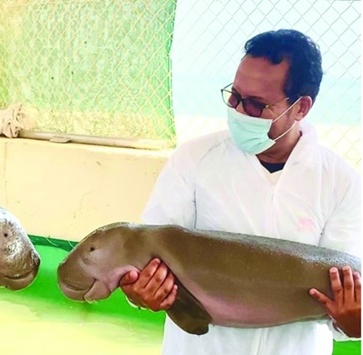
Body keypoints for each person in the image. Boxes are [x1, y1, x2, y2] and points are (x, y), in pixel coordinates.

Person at [119, 29, 361, 355]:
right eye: (234, 96)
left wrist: (353, 325)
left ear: (301, 107)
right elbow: (146, 256)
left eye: (256, 105)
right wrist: (141, 292)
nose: (238, 111)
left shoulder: (340, 181)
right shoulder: (193, 160)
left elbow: (346, 299)